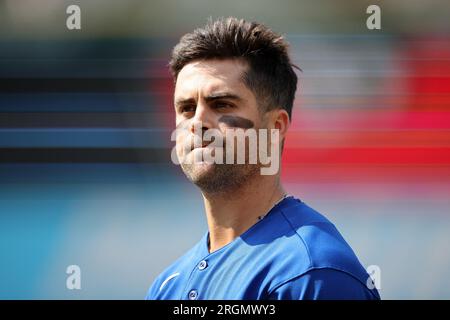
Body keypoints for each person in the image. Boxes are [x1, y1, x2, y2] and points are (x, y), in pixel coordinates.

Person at [146, 17, 380, 300]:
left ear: (276, 127)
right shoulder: (167, 286)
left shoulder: (312, 273)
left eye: (221, 104)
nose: (197, 122)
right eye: (186, 108)